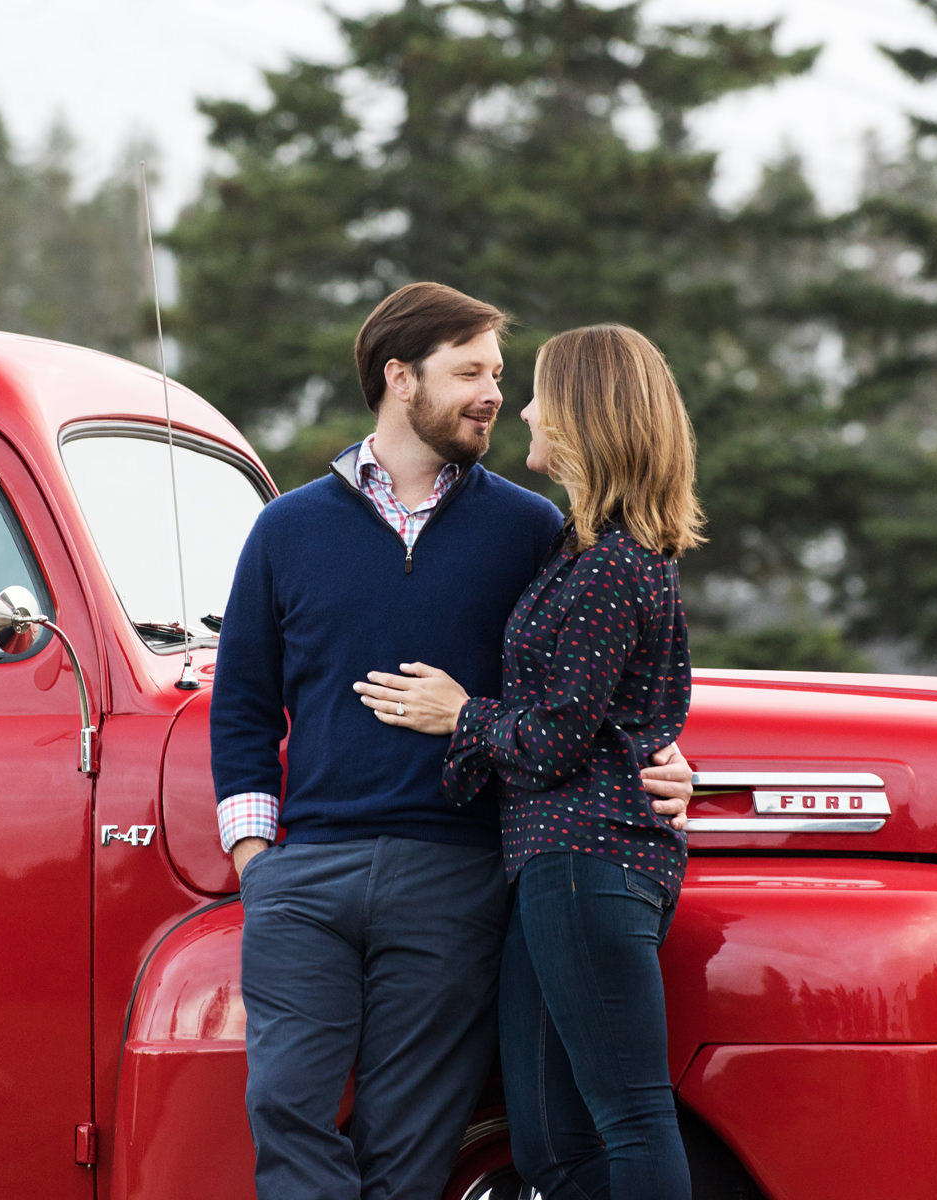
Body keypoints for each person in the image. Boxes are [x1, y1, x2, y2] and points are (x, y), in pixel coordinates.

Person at [210, 285, 691, 1200]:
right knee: (285, 1108)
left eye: (500, 376)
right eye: (469, 372)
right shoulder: (285, 529)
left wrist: (663, 758)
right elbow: (240, 705)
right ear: (400, 378)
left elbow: (598, 666)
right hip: (306, 872)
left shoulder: (535, 530)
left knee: (412, 1145)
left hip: (454, 871)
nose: (493, 396)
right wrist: (255, 857)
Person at [354, 324, 703, 1200]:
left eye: (543, 391)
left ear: (590, 416)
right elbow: (622, 717)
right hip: (554, 864)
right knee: (550, 1142)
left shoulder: (609, 569)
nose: (526, 409)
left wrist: (457, 714)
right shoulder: (577, 554)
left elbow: (554, 739)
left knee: (629, 1117)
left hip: (589, 861)